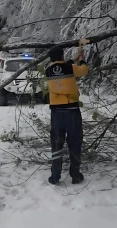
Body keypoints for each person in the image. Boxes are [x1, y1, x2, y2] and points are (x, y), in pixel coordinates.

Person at [45, 46, 89, 185]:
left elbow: (62, 66)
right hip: (71, 111)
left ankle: (55, 176)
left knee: (56, 143)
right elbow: (83, 70)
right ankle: (75, 175)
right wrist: (81, 59)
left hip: (56, 112)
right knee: (75, 142)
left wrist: (73, 60)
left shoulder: (48, 70)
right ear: (62, 56)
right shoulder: (70, 68)